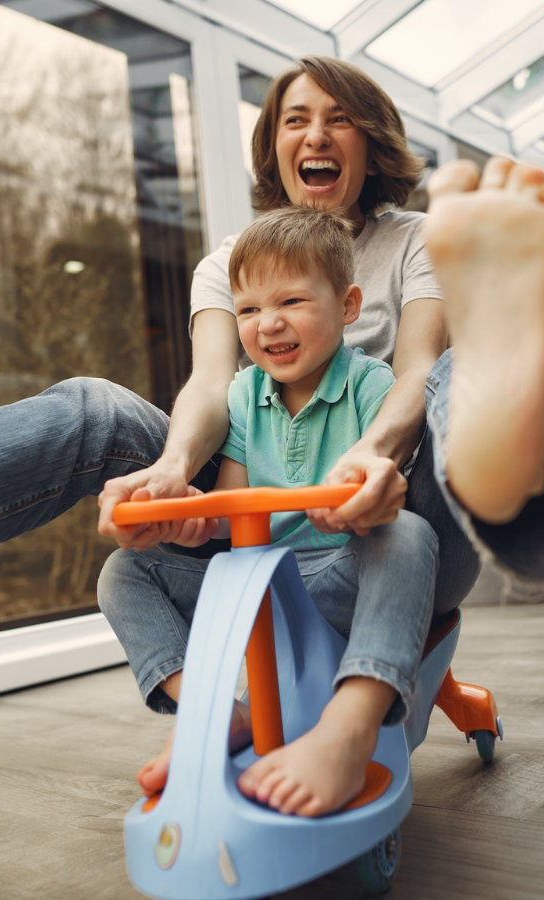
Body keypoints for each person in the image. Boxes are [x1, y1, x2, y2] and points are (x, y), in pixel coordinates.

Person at [0, 57, 544, 733]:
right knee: (92, 407)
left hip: (400, 507)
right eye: (295, 120)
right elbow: (213, 384)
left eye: (338, 120)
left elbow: (413, 368)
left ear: (369, 143)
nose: (314, 135)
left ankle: (510, 465)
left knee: (459, 366)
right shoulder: (228, 263)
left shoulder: (422, 237)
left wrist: (372, 456)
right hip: (265, 505)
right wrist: (176, 466)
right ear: (272, 145)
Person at [98, 206, 438, 817]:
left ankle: (352, 723)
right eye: (249, 310)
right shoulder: (242, 395)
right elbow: (230, 508)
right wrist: (196, 518)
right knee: (124, 573)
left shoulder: (370, 386)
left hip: (336, 575)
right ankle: (210, 714)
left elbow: (385, 495)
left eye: (291, 302)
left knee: (409, 536)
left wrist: (361, 511)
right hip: (253, 580)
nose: (268, 324)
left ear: (349, 305)